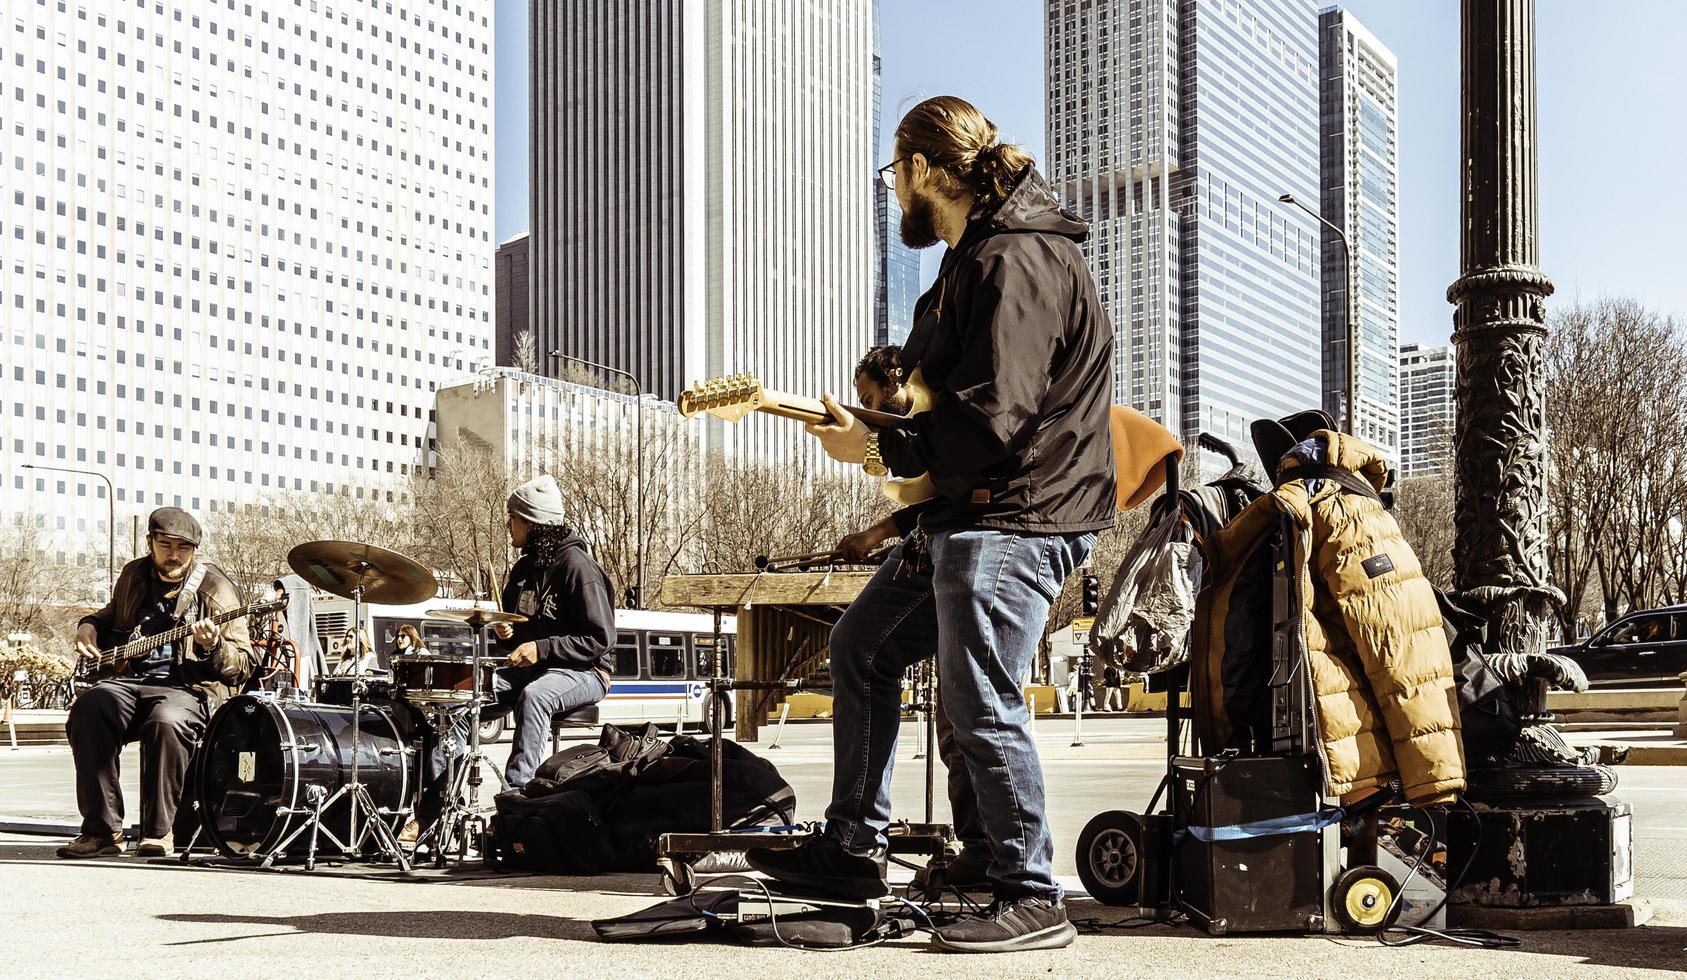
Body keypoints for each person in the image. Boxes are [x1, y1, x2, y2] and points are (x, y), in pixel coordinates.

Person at [752, 95, 1115, 953]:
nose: (892, 193)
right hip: (964, 511)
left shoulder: (1015, 259)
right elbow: (933, 409)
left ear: (922, 170)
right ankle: (854, 845)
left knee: (978, 699)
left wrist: (880, 455)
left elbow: (993, 418)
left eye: (893, 174)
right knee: (862, 649)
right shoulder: (962, 266)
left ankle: (1030, 892)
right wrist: (870, 435)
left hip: (1016, 515)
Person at [833, 344, 991, 894]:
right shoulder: (916, 425)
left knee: (962, 702)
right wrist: (874, 535)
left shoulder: (946, 409)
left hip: (981, 539)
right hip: (931, 540)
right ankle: (853, 834)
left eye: (873, 399)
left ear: (899, 379)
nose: (870, 408)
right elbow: (930, 498)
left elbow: (953, 480)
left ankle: (988, 853)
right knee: (856, 644)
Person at [59, 508, 255, 859]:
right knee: (89, 707)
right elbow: (114, 612)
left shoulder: (215, 588)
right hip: (129, 681)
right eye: (165, 545)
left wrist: (213, 647)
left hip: (189, 689)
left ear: (194, 550)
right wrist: (89, 623)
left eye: (184, 547)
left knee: (167, 721)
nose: (174, 554)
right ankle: (103, 831)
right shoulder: (134, 573)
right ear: (150, 542)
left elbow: (242, 665)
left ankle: (159, 832)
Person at [482, 473, 617, 789]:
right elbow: (518, 637)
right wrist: (506, 635)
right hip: (537, 670)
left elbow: (601, 638)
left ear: (532, 523)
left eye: (513, 518)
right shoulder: (522, 570)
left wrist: (541, 649)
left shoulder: (578, 567)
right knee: (469, 696)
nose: (508, 525)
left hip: (587, 671)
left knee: (535, 696)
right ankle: (438, 807)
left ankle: (517, 794)